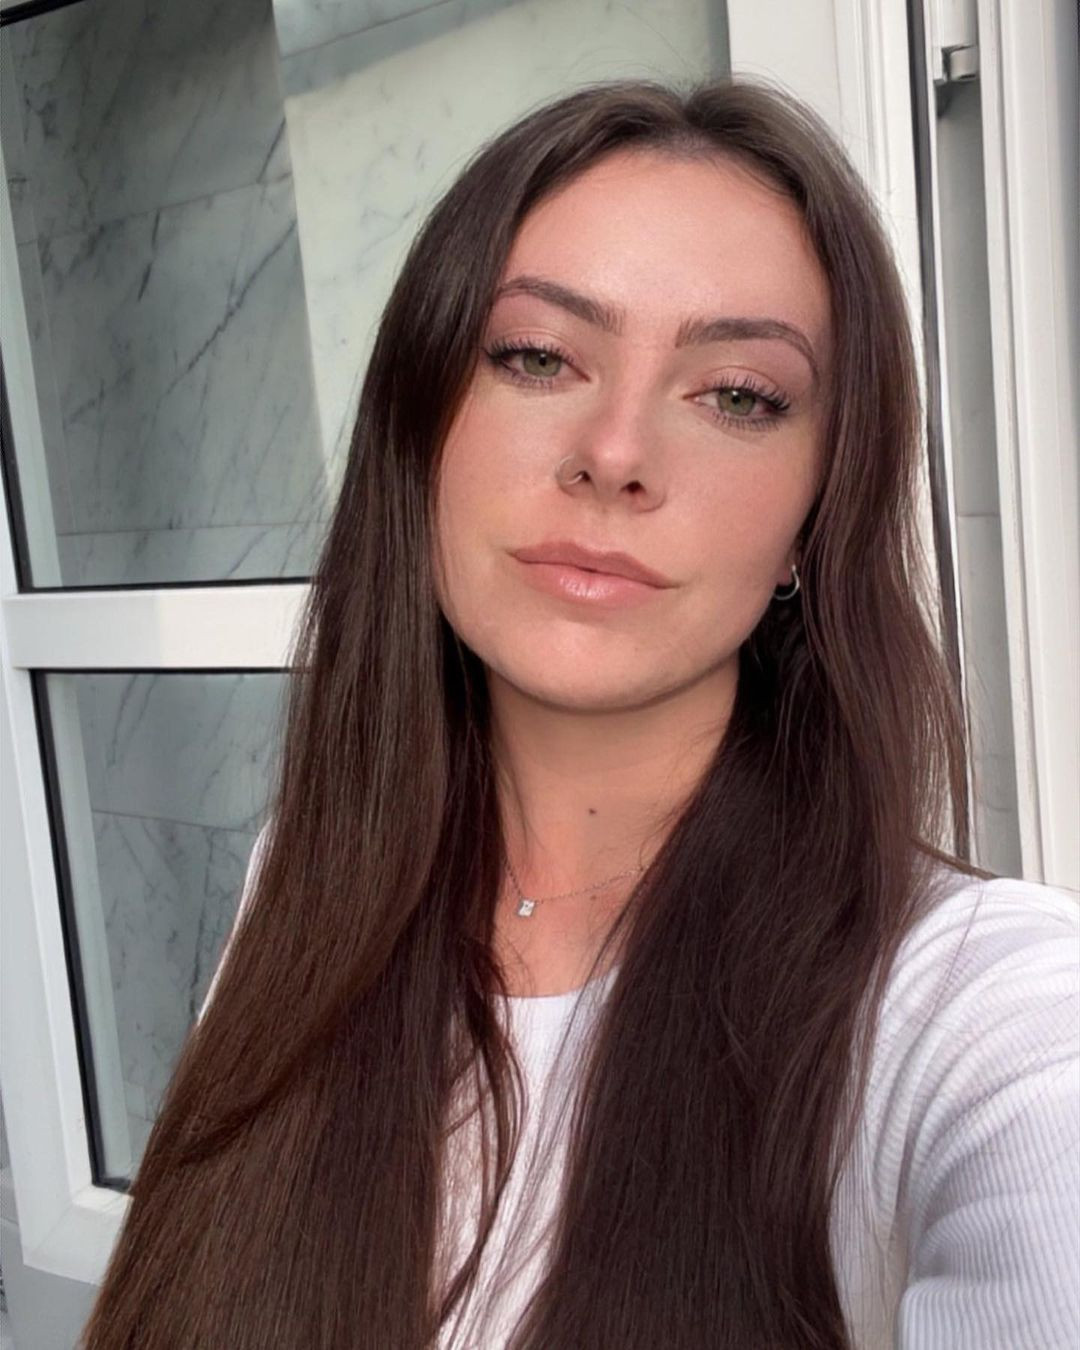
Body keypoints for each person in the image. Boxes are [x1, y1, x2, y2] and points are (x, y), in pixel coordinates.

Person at [80, 77, 1079, 1349]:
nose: (614, 453)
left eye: (738, 394)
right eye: (537, 357)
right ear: (420, 429)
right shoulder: (311, 872)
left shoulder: (979, 1010)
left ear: (812, 520)